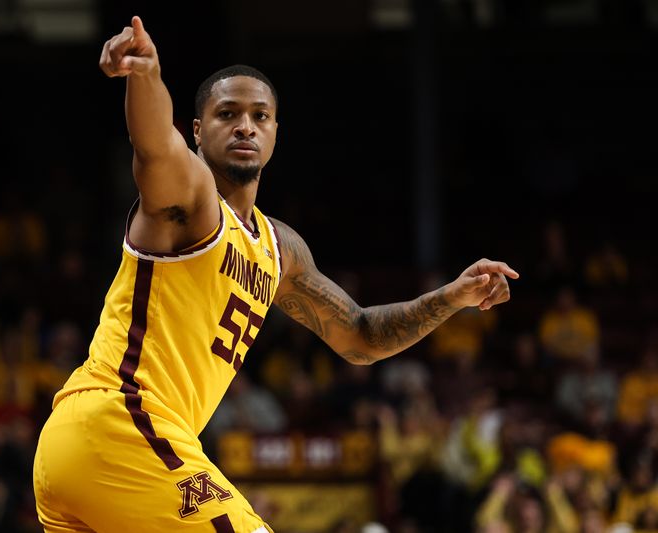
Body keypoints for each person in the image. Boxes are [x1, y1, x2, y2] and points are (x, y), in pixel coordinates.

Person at [32, 16, 520, 533]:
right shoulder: (191, 200)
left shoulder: (280, 250)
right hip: (118, 423)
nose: (246, 125)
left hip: (92, 454)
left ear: (275, 132)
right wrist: (145, 75)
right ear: (197, 130)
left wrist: (451, 296)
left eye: (260, 116)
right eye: (227, 114)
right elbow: (155, 146)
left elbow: (360, 337)